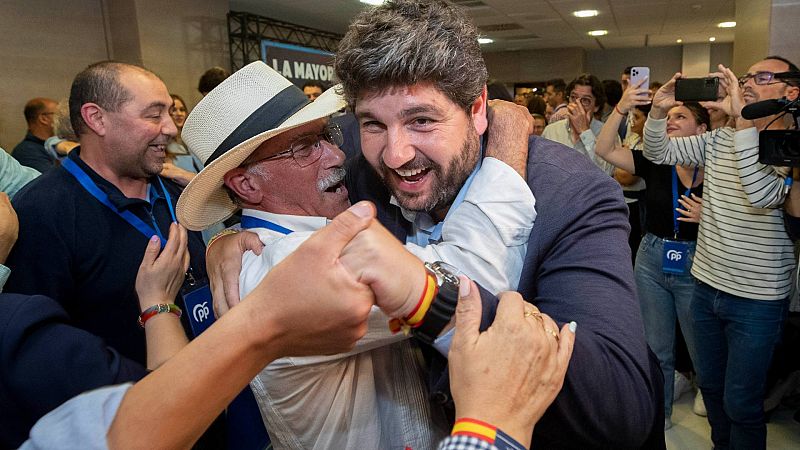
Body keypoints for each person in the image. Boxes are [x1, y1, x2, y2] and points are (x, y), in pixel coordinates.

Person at [212, 1, 662, 448]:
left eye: (422, 120)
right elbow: (461, 272)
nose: (396, 154)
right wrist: (226, 238)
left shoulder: (570, 193)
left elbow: (618, 410)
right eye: (371, 124)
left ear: (477, 108)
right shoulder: (352, 176)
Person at [176, 60, 536, 449]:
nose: (334, 156)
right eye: (305, 148)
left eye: (326, 136)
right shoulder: (290, 269)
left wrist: (221, 240)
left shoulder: (287, 242)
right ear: (246, 184)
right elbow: (469, 284)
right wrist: (506, 152)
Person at [18, 202, 576, 450]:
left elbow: (131, 430)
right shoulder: (293, 261)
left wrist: (207, 250)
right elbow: (476, 275)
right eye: (304, 145)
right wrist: (490, 428)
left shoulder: (262, 247)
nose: (334, 148)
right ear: (249, 179)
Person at [6, 61, 208, 367]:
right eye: (154, 115)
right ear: (97, 119)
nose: (170, 127)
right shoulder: (41, 213)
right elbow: (41, 352)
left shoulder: (173, 189)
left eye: (169, 113)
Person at [644, 57, 800, 449]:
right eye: (747, 77)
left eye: (762, 78)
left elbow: (763, 194)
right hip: (705, 285)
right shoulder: (721, 138)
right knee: (711, 390)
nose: (747, 83)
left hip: (757, 298)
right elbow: (659, 153)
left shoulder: (788, 143)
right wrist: (658, 113)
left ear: (791, 91)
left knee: (741, 402)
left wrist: (745, 125)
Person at [595, 82, 710, 430]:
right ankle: (658, 418)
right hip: (651, 257)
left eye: (681, 115)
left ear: (702, 129)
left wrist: (712, 213)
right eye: (668, 115)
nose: (671, 120)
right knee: (657, 347)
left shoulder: (722, 165)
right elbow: (604, 149)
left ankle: (708, 388)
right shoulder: (658, 159)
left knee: (701, 344)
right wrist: (622, 107)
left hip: (698, 259)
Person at [542, 73, 614, 175]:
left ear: (596, 106)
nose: (577, 105)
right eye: (573, 97)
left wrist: (585, 132)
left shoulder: (608, 133)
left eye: (585, 100)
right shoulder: (551, 131)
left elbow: (605, 173)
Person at [160, 93, 199, 187]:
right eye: (174, 110)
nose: (179, 114)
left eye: (182, 110)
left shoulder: (193, 140)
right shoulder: (162, 144)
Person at [12, 98, 59, 173]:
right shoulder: (27, 151)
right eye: (58, 114)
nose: (62, 119)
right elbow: (55, 180)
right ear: (43, 119)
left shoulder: (58, 144)